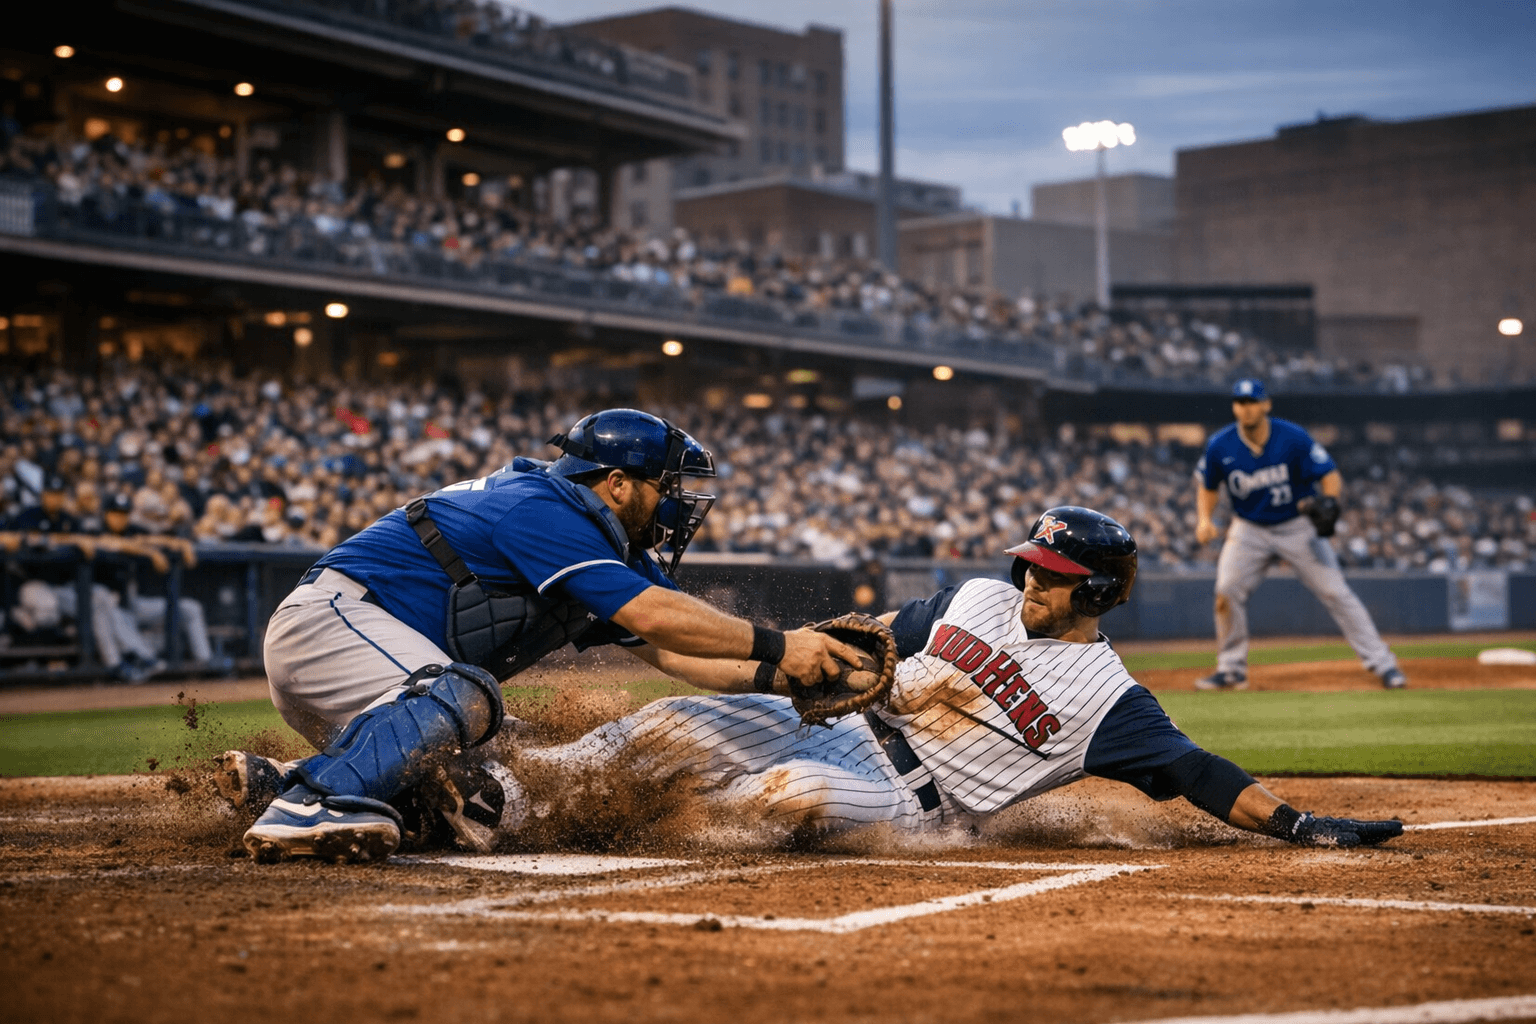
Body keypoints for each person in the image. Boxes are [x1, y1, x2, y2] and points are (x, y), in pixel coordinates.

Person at [514, 506, 1404, 850]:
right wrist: (741, 661)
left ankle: (652, 833)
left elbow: (1201, 775)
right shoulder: (974, 597)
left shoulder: (1113, 703)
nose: (1030, 580)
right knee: (672, 722)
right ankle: (510, 797)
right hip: (831, 722)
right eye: (1030, 564)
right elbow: (842, 648)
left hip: (915, 803)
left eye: (1051, 574)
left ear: (1094, 590)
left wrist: (1299, 823)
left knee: (786, 796)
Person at [219, 409, 861, 864]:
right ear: (615, 483)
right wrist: (779, 643)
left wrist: (788, 676)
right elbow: (656, 618)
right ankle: (315, 802)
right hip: (331, 626)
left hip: (384, 677)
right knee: (470, 693)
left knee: (513, 784)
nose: (676, 506)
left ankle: (286, 781)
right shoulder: (543, 506)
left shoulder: (605, 542)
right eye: (666, 489)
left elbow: (676, 654)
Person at [1193, 379, 1405, 690]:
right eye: (1240, 402)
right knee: (1226, 590)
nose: (1246, 407)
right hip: (1249, 528)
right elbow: (1208, 486)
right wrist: (1204, 519)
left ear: (1266, 405)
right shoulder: (1220, 444)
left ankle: (1385, 665)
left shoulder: (1292, 437)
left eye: (1253, 401)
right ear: (1235, 407)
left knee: (1335, 592)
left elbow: (1330, 475)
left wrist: (1330, 500)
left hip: (1297, 526)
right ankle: (1231, 669)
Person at [1, 476, 162, 681]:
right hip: (31, 584)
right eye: (51, 494)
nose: (54, 499)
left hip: (63, 587)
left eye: (58, 495)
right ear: (43, 495)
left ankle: (116, 662)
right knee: (47, 608)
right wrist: (68, 540)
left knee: (100, 598)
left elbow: (91, 540)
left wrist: (77, 539)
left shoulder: (68, 520)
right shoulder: (28, 516)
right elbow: (11, 538)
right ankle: (23, 617)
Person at [94, 492, 216, 668]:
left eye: (123, 514)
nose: (119, 519)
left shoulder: (134, 530)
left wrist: (183, 544)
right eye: (115, 513)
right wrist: (150, 551)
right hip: (109, 607)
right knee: (113, 613)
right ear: (106, 514)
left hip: (134, 602)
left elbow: (158, 538)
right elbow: (107, 542)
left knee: (191, 609)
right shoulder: (96, 530)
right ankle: (145, 661)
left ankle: (205, 662)